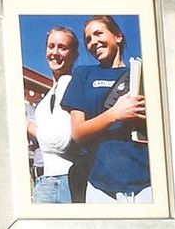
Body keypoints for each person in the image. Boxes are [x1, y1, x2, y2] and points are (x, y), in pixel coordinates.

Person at [63, 14, 153, 205]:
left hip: (148, 180)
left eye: (98, 34)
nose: (93, 42)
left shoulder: (142, 75)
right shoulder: (83, 74)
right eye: (88, 39)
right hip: (101, 185)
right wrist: (115, 114)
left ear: (118, 36)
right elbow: (78, 133)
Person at [25, 25, 81, 205]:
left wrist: (28, 126)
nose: (55, 52)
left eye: (62, 47)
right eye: (51, 46)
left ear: (74, 55)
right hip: (46, 180)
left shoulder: (71, 85)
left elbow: (60, 142)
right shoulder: (48, 96)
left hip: (64, 182)